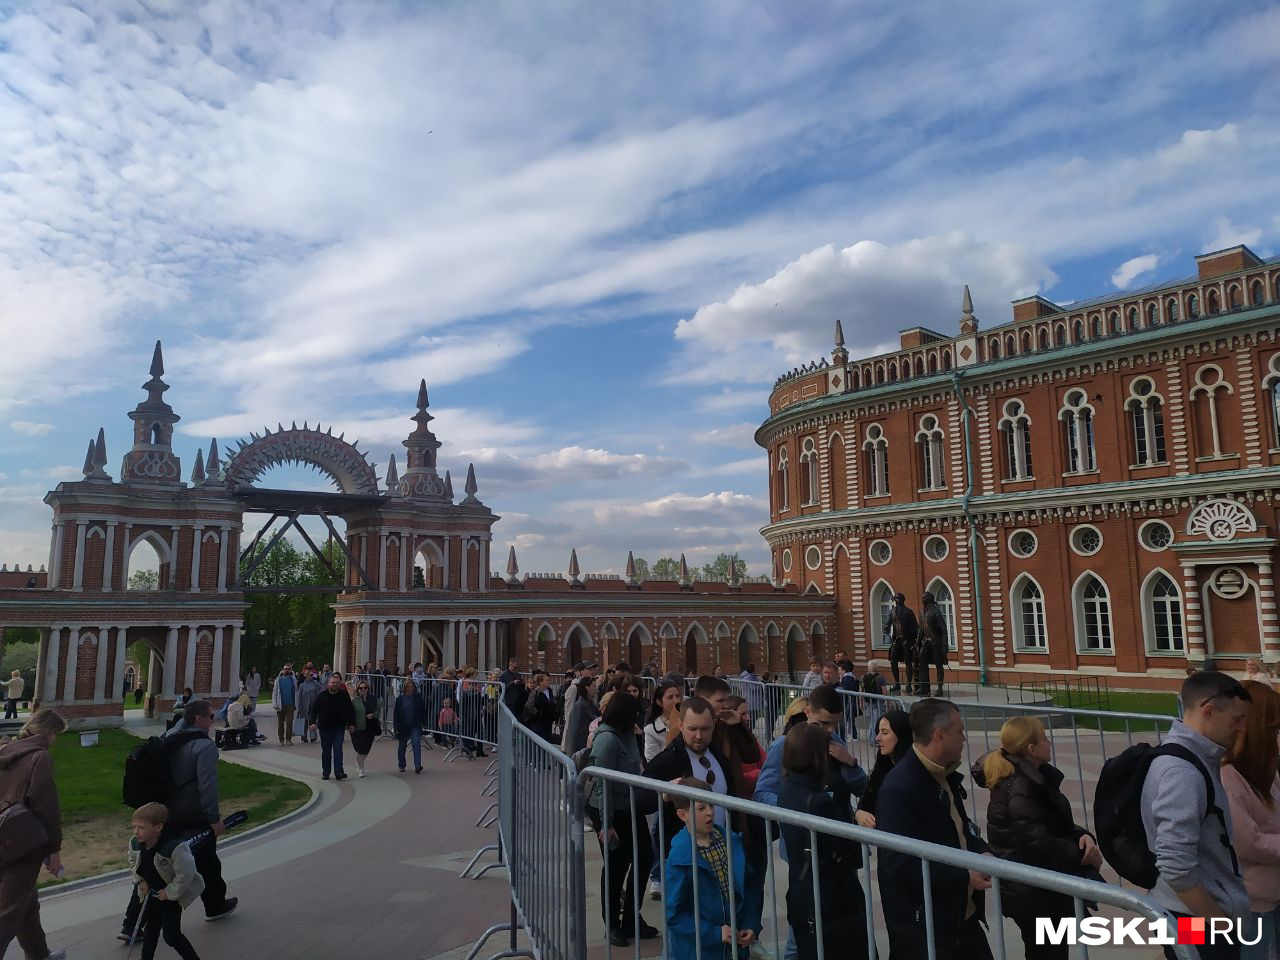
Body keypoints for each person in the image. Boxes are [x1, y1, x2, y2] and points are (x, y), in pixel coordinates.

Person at [1142, 671, 1251, 960]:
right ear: (1209, 711)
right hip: (1193, 918)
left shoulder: (1195, 759)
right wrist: (1219, 923)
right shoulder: (1182, 772)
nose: (1241, 729)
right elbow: (1176, 865)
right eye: (1236, 719)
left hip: (1193, 914)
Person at [973, 716, 1101, 960]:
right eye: (1044, 738)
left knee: (1048, 951)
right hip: (1034, 893)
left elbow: (1051, 823)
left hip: (1037, 889)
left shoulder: (1031, 779)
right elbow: (1036, 841)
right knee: (1047, 953)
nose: (1049, 742)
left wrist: (1082, 836)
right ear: (1031, 749)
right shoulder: (1020, 786)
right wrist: (1082, 856)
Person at [877, 698, 992, 960]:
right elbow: (898, 864)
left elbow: (960, 827)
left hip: (961, 917)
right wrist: (964, 877)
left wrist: (981, 852)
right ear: (940, 735)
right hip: (926, 928)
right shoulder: (900, 788)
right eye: (960, 731)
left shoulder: (942, 773)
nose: (964, 738)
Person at [778, 723, 870, 960]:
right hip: (831, 903)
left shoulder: (788, 788)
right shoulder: (818, 801)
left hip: (805, 896)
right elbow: (855, 853)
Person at [588, 692, 657, 946]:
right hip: (610, 810)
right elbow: (602, 785)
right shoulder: (606, 740)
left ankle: (631, 917)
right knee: (616, 867)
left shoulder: (627, 734)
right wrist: (607, 825)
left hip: (629, 805)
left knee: (644, 858)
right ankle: (613, 925)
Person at [665, 779, 762, 960]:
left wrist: (751, 923)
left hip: (735, 949)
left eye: (711, 805)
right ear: (682, 814)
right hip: (699, 952)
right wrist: (714, 933)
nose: (709, 812)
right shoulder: (679, 858)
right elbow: (674, 916)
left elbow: (749, 886)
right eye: (701, 809)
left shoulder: (731, 841)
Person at [0, 708, 67, 960]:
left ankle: (39, 955)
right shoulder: (39, 758)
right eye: (57, 735)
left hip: (2, 834)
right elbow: (45, 806)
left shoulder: (4, 750)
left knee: (26, 904)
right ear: (49, 733)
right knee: (9, 910)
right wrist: (54, 849)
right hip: (22, 841)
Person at [163, 699, 238, 922]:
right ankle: (215, 906)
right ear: (199, 719)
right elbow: (208, 785)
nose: (214, 720)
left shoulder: (170, 737)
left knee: (165, 864)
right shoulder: (204, 746)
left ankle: (133, 922)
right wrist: (214, 818)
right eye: (211, 716)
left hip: (167, 811)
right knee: (206, 861)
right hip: (193, 812)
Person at [1221, 680, 1280, 960]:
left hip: (1269, 894)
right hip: (1248, 905)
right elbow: (1248, 842)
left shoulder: (1264, 772)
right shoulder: (1228, 777)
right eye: (1273, 728)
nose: (1277, 736)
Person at [646, 698, 738, 856]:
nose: (698, 736)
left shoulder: (718, 754)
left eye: (705, 729)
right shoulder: (668, 760)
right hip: (686, 857)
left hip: (722, 849)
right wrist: (664, 796)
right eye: (692, 729)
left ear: (713, 726)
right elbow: (639, 799)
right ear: (681, 726)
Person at [129, 802, 203, 960]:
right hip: (151, 895)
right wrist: (140, 880)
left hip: (170, 898)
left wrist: (170, 893)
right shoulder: (136, 843)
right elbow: (133, 862)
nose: (136, 832)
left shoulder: (174, 847)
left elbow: (186, 874)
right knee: (150, 932)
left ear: (158, 827)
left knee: (171, 936)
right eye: (134, 827)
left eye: (141, 827)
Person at [855, 707, 911, 828]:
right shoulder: (880, 769)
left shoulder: (913, 773)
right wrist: (859, 814)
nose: (878, 738)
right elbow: (865, 803)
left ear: (902, 735)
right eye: (878, 732)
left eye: (884, 732)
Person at [308, 673, 356, 781]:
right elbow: (314, 710)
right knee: (326, 751)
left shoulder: (344, 695)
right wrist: (312, 722)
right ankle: (326, 772)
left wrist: (351, 723)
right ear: (328, 684)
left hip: (339, 727)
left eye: (337, 683)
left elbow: (350, 710)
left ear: (340, 684)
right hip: (325, 728)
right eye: (333, 683)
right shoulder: (321, 696)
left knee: (338, 750)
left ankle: (339, 772)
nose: (335, 684)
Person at [885, 592, 920, 694]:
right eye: (896, 598)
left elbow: (915, 626)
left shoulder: (908, 612)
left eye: (900, 598)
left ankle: (909, 684)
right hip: (896, 640)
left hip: (906, 640)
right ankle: (897, 683)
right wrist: (886, 628)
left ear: (903, 600)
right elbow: (888, 623)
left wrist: (915, 641)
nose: (898, 600)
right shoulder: (892, 611)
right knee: (893, 660)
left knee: (908, 662)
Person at [918, 591, 949, 696]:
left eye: (924, 598)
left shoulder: (936, 611)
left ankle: (940, 689)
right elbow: (920, 629)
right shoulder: (922, 612)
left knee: (939, 665)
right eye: (922, 598)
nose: (922, 599)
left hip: (935, 643)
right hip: (925, 643)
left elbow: (943, 629)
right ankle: (924, 688)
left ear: (929, 599)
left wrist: (945, 645)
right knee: (922, 665)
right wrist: (917, 642)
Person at [393, 678, 427, 774]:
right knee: (402, 745)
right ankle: (401, 765)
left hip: (415, 724)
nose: (410, 688)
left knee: (416, 743)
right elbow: (396, 714)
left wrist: (424, 722)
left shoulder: (417, 697)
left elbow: (422, 710)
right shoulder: (400, 699)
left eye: (412, 686)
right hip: (403, 725)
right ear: (405, 688)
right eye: (408, 687)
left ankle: (418, 765)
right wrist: (396, 728)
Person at [562, 674, 600, 755]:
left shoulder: (592, 705)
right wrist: (571, 752)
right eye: (593, 686)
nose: (596, 689)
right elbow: (573, 729)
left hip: (590, 743)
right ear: (587, 688)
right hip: (582, 746)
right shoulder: (579, 706)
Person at [350, 679, 380, 778]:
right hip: (358, 728)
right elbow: (350, 714)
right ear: (358, 689)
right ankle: (361, 769)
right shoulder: (354, 700)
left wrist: (373, 715)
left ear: (368, 688)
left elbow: (378, 710)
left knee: (366, 750)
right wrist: (351, 725)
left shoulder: (373, 699)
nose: (363, 689)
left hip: (370, 727)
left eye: (365, 688)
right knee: (360, 749)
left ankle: (359, 762)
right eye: (361, 688)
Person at [521, 671, 558, 742]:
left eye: (549, 680)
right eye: (546, 680)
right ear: (540, 682)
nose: (549, 681)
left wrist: (554, 715)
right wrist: (539, 713)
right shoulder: (535, 692)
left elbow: (551, 704)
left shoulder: (549, 691)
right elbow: (530, 706)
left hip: (548, 723)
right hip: (538, 723)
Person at [271, 663, 297, 745]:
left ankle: (288, 739)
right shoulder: (278, 681)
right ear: (282, 670)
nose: (286, 670)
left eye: (288, 669)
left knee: (289, 723)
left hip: (290, 704)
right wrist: (274, 704)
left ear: (290, 671)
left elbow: (296, 692)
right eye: (285, 669)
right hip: (280, 704)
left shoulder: (293, 680)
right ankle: (281, 740)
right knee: (280, 723)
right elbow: (274, 693)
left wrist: (296, 704)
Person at [295, 671, 322, 743]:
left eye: (311, 675)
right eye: (307, 674)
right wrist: (299, 708)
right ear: (305, 675)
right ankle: (304, 737)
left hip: (313, 705)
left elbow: (321, 690)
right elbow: (299, 697)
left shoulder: (315, 684)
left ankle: (313, 736)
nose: (309, 676)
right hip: (304, 706)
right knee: (304, 722)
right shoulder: (302, 685)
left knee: (312, 721)